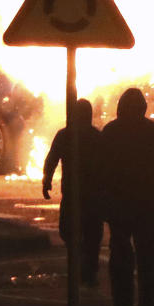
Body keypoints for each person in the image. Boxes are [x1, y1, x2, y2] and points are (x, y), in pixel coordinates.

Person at [99, 88, 154, 306]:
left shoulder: (111, 132)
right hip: (148, 205)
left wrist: (101, 202)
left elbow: (98, 171)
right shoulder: (153, 133)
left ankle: (122, 304)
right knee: (148, 260)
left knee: (120, 255)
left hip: (119, 205)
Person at [42, 98, 104, 287]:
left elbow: (51, 160)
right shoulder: (96, 136)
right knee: (92, 236)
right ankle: (89, 271)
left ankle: (81, 268)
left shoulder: (65, 135)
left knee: (70, 232)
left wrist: (47, 181)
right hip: (93, 196)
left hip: (73, 194)